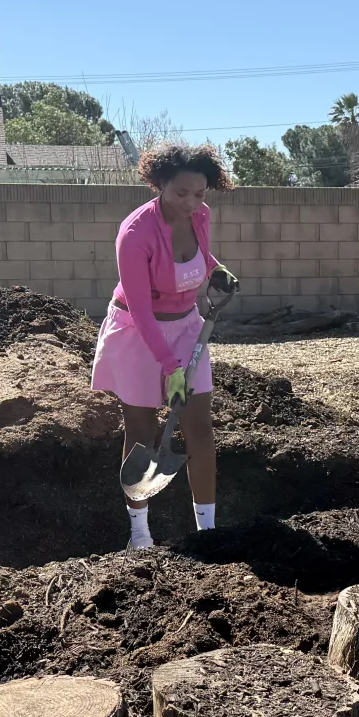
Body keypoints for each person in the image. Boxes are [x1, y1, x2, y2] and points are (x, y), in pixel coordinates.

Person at [92, 143, 237, 549]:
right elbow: (140, 310)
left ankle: (208, 533)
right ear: (159, 185)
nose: (191, 203)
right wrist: (171, 367)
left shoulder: (201, 216)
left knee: (199, 429)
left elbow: (201, 256)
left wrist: (216, 268)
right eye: (181, 194)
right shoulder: (135, 235)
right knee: (142, 433)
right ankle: (140, 536)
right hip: (137, 334)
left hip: (188, 327)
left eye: (200, 194)